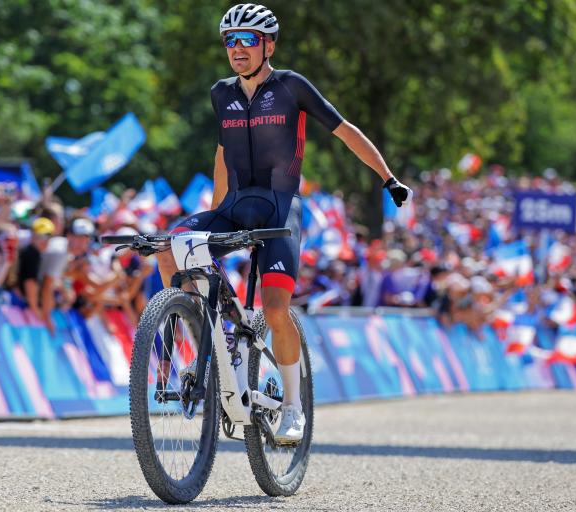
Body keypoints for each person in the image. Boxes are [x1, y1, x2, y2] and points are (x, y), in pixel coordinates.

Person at [156, 4, 412, 444]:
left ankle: (293, 407)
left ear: (268, 45)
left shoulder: (292, 86)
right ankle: (212, 329)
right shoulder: (221, 93)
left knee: (275, 310)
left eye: (247, 40)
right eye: (230, 41)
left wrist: (388, 178)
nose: (237, 49)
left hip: (280, 210)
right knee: (168, 247)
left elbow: (346, 130)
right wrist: (212, 218)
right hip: (234, 206)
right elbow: (222, 155)